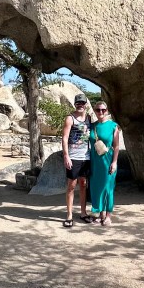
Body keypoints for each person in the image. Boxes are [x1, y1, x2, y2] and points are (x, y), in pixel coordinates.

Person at [61, 93, 94, 228]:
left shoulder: (88, 118)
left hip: (86, 157)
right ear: (75, 104)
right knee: (71, 186)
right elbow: (64, 138)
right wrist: (66, 156)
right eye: (78, 103)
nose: (80, 105)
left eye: (82, 103)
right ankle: (69, 215)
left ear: (86, 104)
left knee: (83, 184)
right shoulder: (70, 118)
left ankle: (83, 213)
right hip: (73, 157)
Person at [88, 102, 120, 227]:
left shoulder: (113, 126)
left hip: (108, 161)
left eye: (103, 110)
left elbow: (116, 146)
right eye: (98, 110)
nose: (100, 112)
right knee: (97, 187)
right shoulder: (93, 126)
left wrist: (115, 162)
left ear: (107, 110)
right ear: (95, 111)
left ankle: (108, 216)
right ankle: (100, 214)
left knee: (108, 188)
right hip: (95, 162)